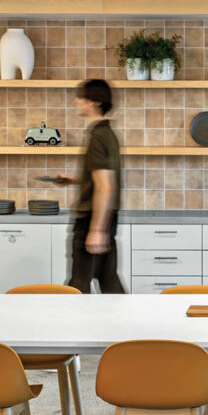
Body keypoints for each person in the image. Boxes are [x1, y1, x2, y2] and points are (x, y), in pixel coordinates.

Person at [56, 79, 126, 294]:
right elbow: (103, 178)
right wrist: (78, 180)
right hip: (105, 217)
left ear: (94, 102)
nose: (77, 101)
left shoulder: (97, 137)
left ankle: (78, 327)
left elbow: (106, 186)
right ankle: (123, 324)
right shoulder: (108, 135)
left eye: (81, 97)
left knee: (78, 285)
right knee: (109, 282)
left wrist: (96, 230)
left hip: (91, 219)